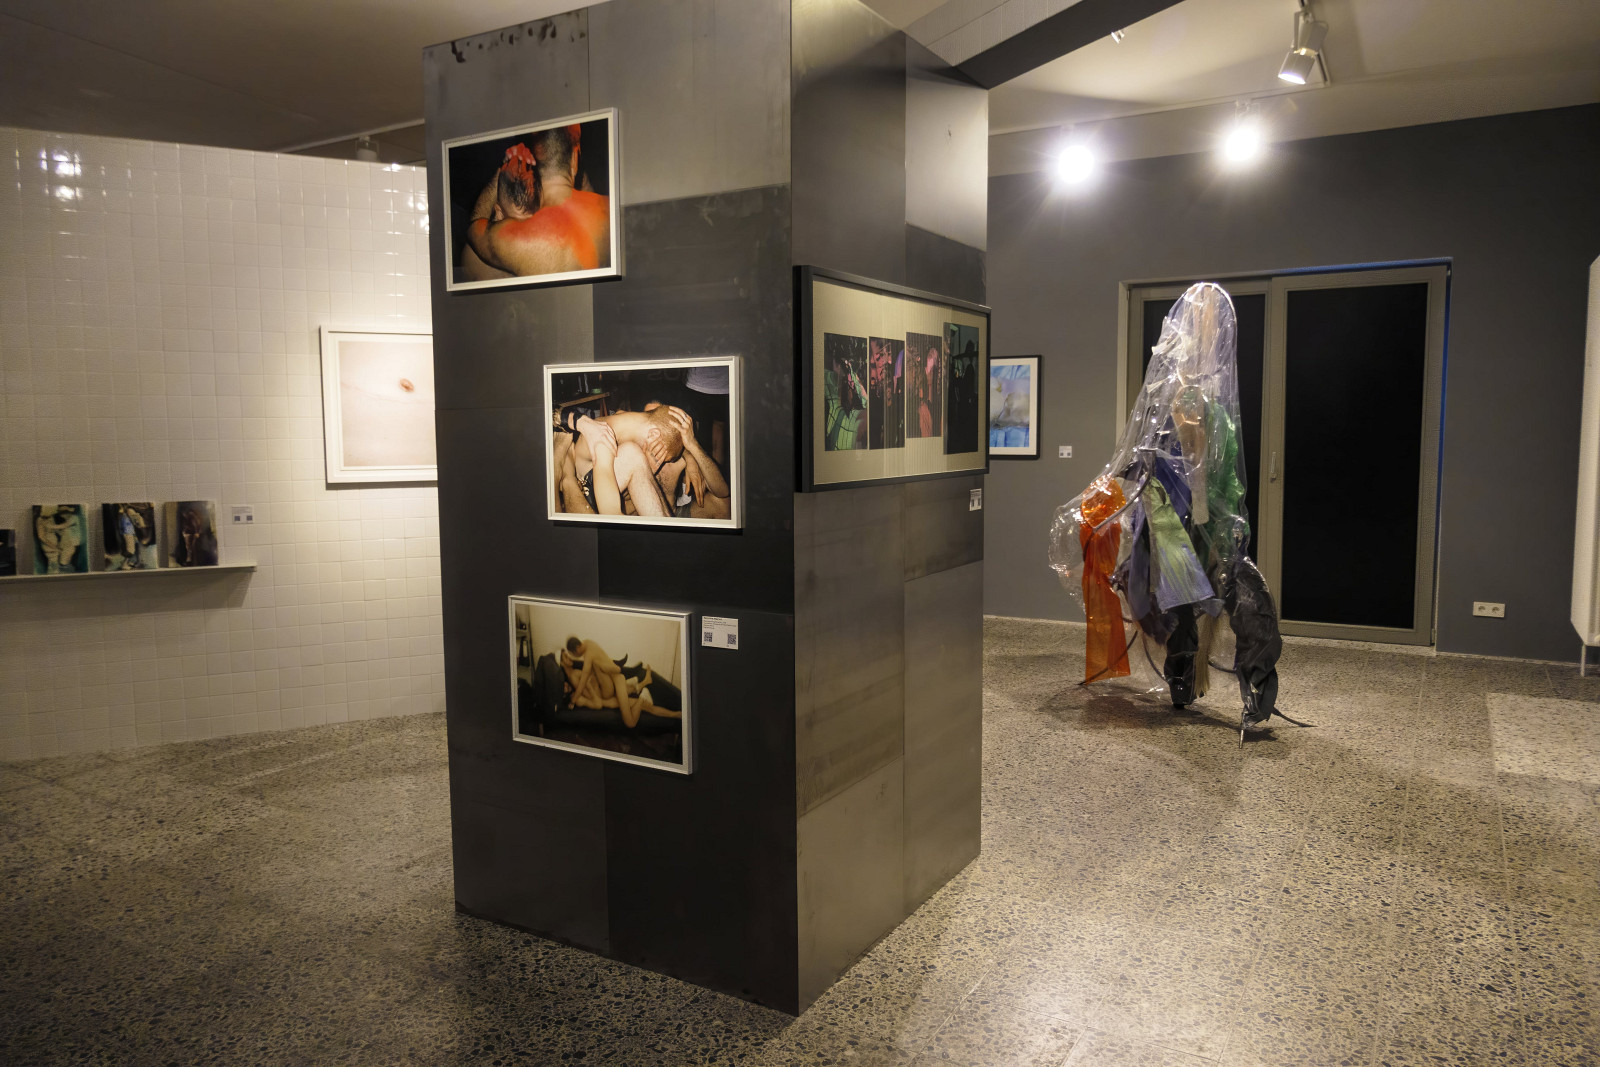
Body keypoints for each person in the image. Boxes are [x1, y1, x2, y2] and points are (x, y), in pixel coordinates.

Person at [461, 127, 610, 279]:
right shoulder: (609, 212)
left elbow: (475, 225)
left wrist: (503, 168)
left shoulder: (514, 242)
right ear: (574, 160)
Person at [561, 637, 680, 729]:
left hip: (615, 682)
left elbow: (584, 680)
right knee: (647, 707)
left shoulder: (588, 656)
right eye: (567, 656)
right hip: (613, 684)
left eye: (570, 654)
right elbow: (588, 679)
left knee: (630, 723)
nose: (571, 657)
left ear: (577, 648)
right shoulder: (588, 642)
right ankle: (676, 714)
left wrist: (573, 701)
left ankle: (642, 696)